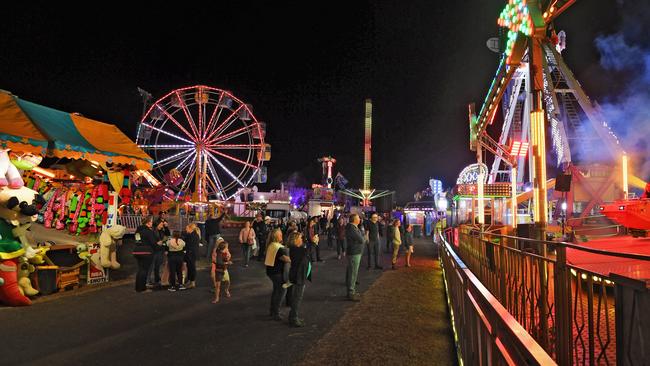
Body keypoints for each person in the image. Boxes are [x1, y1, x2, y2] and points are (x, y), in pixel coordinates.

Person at [265, 228, 291, 320]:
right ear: (276, 236)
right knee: (281, 291)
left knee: (276, 291)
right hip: (277, 272)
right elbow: (286, 259)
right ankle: (276, 313)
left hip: (271, 271)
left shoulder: (271, 245)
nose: (282, 235)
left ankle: (273, 311)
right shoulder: (279, 248)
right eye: (280, 234)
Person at [287, 231, 311, 327]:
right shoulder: (295, 250)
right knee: (297, 297)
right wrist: (313, 243)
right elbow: (306, 252)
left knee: (297, 297)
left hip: (299, 276)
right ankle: (293, 318)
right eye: (300, 238)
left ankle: (293, 316)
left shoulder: (297, 249)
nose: (302, 240)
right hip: (298, 276)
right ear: (296, 240)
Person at [345, 214, 365, 301]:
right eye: (358, 218)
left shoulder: (354, 228)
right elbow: (361, 239)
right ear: (354, 220)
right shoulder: (352, 228)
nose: (360, 219)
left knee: (352, 271)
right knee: (353, 272)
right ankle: (351, 292)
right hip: (354, 252)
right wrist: (362, 236)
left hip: (354, 251)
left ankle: (351, 290)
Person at [134, 217, 156, 293]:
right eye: (151, 221)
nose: (152, 223)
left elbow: (137, 241)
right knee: (144, 270)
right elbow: (153, 242)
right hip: (146, 252)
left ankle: (138, 287)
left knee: (140, 270)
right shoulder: (149, 231)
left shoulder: (138, 231)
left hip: (137, 251)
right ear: (148, 222)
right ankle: (142, 288)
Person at [147, 220, 167, 288]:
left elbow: (166, 235)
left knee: (157, 266)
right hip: (153, 250)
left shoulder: (162, 231)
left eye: (162, 225)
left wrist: (166, 228)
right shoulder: (152, 231)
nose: (162, 226)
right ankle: (147, 280)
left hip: (160, 250)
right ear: (157, 224)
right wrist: (157, 243)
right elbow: (150, 241)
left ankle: (157, 278)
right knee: (151, 266)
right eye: (161, 224)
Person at [182, 223, 200, 289]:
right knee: (190, 268)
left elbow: (188, 245)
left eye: (186, 228)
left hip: (191, 254)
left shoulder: (193, 236)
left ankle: (192, 282)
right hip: (191, 254)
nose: (186, 230)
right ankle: (190, 281)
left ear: (190, 228)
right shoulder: (193, 234)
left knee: (192, 268)